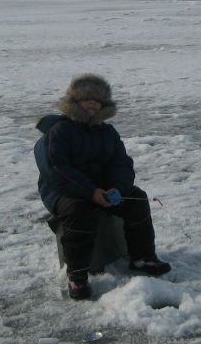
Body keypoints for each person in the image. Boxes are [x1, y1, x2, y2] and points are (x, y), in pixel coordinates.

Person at [35, 74, 171, 300]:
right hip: (63, 191)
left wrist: (117, 188)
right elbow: (56, 169)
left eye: (98, 100)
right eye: (87, 98)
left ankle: (143, 257)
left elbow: (121, 164)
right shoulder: (58, 131)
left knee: (136, 199)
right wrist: (90, 192)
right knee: (78, 210)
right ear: (75, 101)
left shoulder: (107, 132)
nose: (92, 103)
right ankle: (77, 275)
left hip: (103, 190)